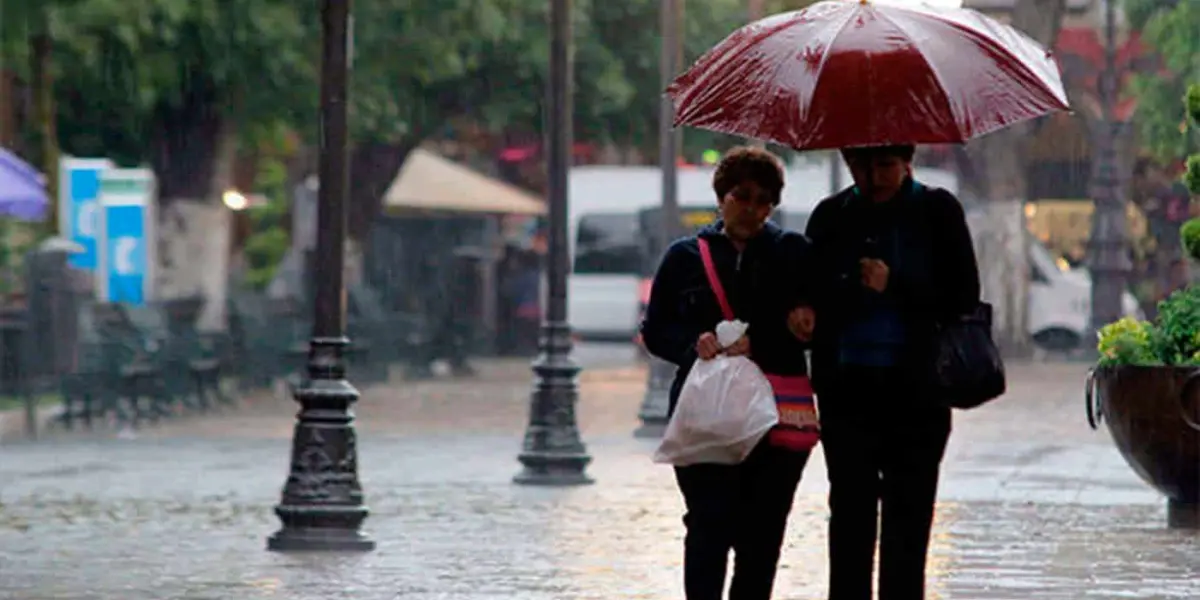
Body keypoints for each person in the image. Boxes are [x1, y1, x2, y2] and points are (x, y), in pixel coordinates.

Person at [641, 146, 818, 600]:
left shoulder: (793, 253)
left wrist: (765, 341)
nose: (752, 209)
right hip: (705, 415)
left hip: (774, 417)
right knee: (707, 525)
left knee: (762, 534)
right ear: (722, 196)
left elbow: (816, 325)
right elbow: (656, 327)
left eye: (764, 201)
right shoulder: (685, 257)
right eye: (743, 196)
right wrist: (692, 345)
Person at [805, 144, 981, 600]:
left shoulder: (937, 212)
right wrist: (842, 288)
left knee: (909, 515)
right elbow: (812, 290)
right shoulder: (831, 216)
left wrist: (894, 284)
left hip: (917, 392)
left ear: (907, 162)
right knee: (849, 514)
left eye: (884, 166)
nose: (874, 178)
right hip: (847, 390)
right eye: (861, 167)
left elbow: (962, 296)